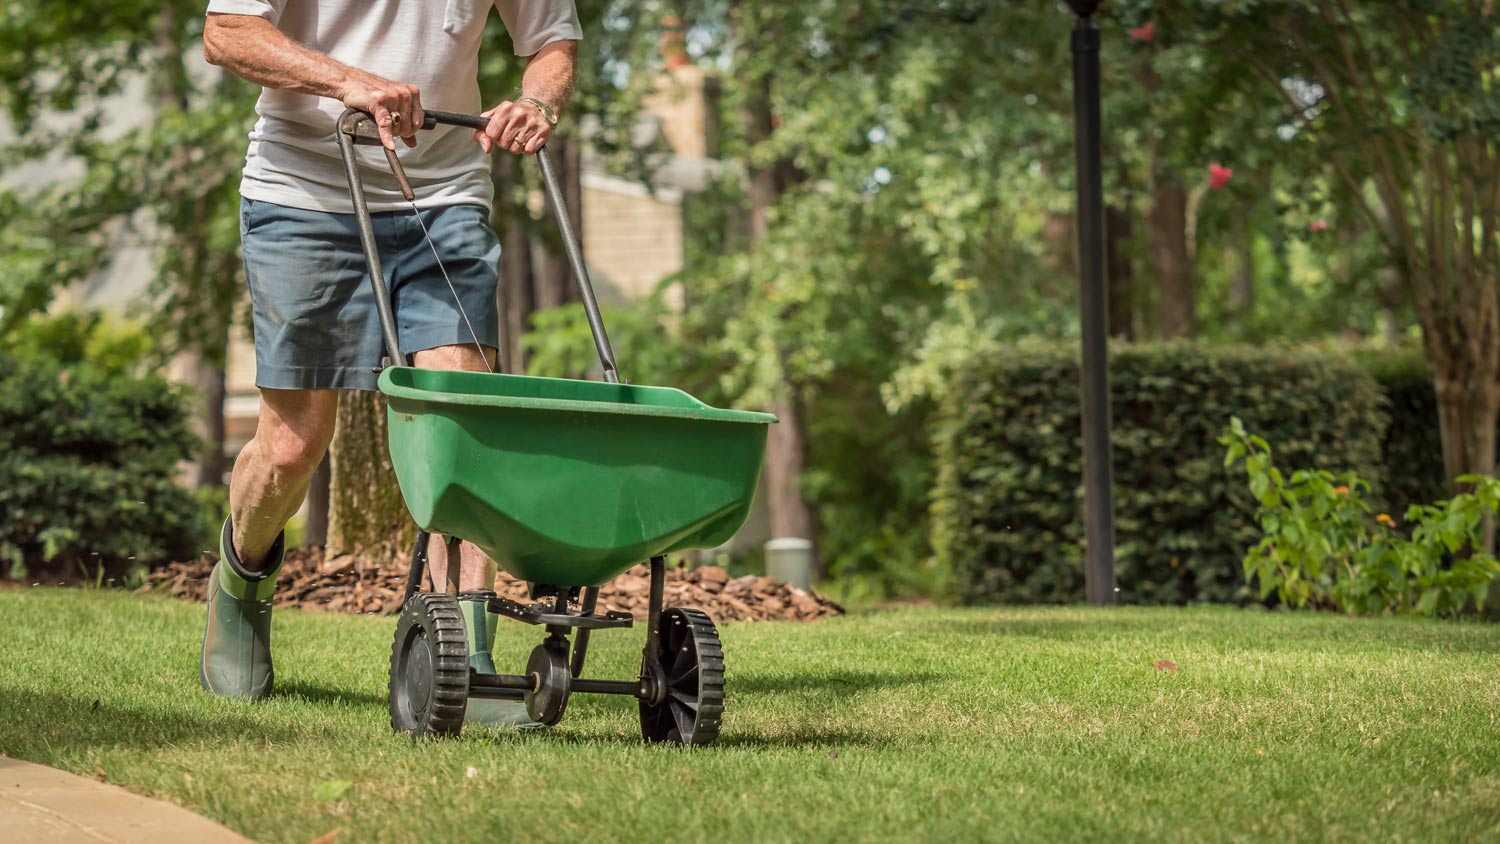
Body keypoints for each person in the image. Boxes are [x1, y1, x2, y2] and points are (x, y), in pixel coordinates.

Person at [197, 0, 579, 716]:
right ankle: (242, 583)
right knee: (292, 446)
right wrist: (348, 81)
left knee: (461, 429)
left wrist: (535, 101)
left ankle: (465, 651)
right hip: (302, 193)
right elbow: (226, 33)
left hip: (444, 194)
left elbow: (552, 40)